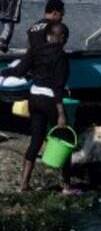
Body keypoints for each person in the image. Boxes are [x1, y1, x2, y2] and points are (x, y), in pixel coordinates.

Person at [1, 22, 75, 193]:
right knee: (65, 138)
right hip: (51, 101)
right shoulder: (61, 56)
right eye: (66, 38)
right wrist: (61, 113)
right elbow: (58, 86)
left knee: (36, 141)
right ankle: (67, 186)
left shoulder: (36, 50)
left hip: (34, 99)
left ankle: (24, 184)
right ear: (61, 37)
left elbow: (19, 71)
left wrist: (3, 72)